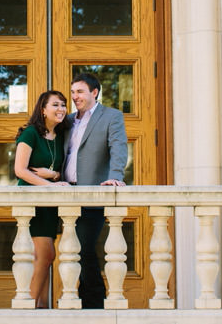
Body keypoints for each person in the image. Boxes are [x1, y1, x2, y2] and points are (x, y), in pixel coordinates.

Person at [62, 72, 127, 309]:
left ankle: (94, 303)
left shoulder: (111, 116)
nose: (75, 96)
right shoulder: (67, 120)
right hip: (63, 196)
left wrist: (115, 177)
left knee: (84, 248)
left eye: (79, 91)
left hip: (91, 195)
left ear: (94, 92)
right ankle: (77, 300)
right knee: (67, 251)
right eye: (72, 92)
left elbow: (118, 147)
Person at [14, 90, 71, 308]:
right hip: (31, 201)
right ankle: (26, 307)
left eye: (64, 105)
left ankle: (42, 308)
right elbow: (20, 170)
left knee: (44, 257)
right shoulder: (30, 134)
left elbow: (55, 172)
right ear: (43, 109)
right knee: (46, 254)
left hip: (50, 204)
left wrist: (54, 176)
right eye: (55, 105)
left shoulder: (61, 136)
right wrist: (52, 185)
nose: (61, 109)